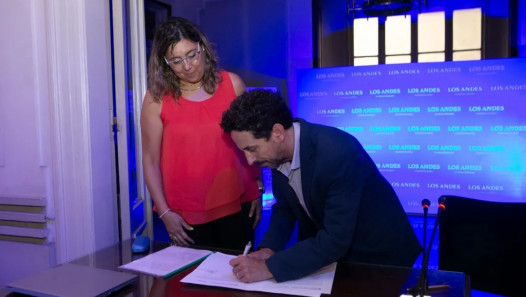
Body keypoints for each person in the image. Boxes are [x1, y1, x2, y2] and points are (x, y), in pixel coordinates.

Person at [220, 89, 422, 282]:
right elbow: (285, 209)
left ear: (278, 132)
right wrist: (268, 250)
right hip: (336, 253)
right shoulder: (276, 153)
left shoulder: (337, 152)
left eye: (251, 149)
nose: (249, 160)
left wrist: (268, 268)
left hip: (379, 257)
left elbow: (335, 240)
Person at [140, 17, 262, 251]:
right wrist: (164, 213)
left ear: (203, 47)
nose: (187, 66)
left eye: (192, 55)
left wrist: (258, 186)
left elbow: (252, 141)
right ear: (165, 63)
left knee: (238, 280)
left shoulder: (232, 84)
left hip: (238, 204)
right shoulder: (156, 99)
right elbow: (150, 160)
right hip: (185, 217)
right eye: (176, 60)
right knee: (190, 284)